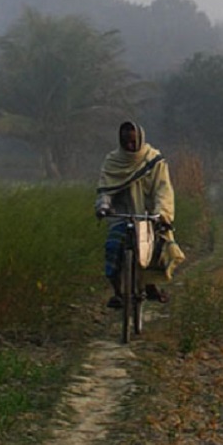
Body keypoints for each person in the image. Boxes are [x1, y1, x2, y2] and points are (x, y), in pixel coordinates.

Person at [94, 120, 177, 309]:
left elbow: (162, 189)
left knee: (154, 249)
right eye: (126, 142)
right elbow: (105, 189)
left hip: (147, 216)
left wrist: (161, 213)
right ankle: (118, 294)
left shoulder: (153, 160)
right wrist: (103, 207)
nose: (130, 146)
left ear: (140, 139)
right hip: (121, 215)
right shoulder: (113, 161)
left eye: (133, 142)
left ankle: (151, 285)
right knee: (112, 249)